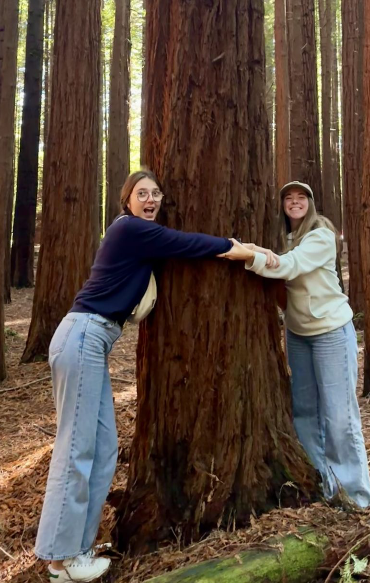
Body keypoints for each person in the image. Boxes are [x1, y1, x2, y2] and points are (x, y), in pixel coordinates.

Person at [36, 169, 251, 582]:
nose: (150, 199)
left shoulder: (139, 238)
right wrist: (233, 248)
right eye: (141, 193)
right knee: (77, 448)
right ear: (127, 201)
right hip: (82, 335)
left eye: (155, 194)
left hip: (92, 342)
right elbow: (185, 243)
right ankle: (60, 558)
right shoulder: (129, 230)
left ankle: (77, 548)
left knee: (103, 449)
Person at [222, 180, 370, 508]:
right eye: (288, 198)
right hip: (298, 334)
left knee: (339, 415)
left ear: (311, 202)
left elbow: (289, 265)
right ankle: (324, 484)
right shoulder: (286, 239)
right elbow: (278, 258)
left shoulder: (321, 235)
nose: (294, 202)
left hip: (331, 331)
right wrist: (252, 248)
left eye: (301, 197)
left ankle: (358, 496)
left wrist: (247, 255)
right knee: (304, 413)